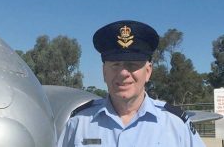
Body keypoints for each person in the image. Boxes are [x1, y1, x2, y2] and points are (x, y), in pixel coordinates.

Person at [57, 20, 205, 147]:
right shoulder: (79, 123)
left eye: (132, 65)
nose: (123, 73)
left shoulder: (176, 125)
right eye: (115, 65)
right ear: (104, 72)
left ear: (148, 72)